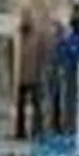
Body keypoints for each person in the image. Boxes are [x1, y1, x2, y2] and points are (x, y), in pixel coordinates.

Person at [14, 8, 53, 141]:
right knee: (20, 106)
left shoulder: (37, 37)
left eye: (27, 18)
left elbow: (43, 55)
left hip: (34, 76)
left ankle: (37, 130)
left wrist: (42, 72)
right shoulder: (18, 36)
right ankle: (20, 131)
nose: (25, 20)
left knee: (37, 105)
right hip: (21, 77)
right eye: (24, 18)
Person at [52, 3, 79, 135]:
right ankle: (72, 126)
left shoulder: (77, 37)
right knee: (72, 100)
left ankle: (73, 126)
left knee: (74, 100)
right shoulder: (77, 37)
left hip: (76, 70)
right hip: (74, 70)